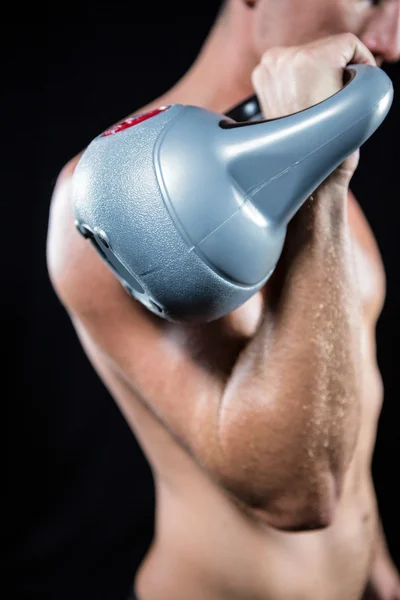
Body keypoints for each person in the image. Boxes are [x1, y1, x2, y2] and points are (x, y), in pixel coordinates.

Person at [46, 1, 400, 599]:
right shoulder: (115, 193)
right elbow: (297, 493)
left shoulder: (308, 148)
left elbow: (347, 402)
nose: (392, 37)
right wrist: (324, 180)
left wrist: (376, 565)